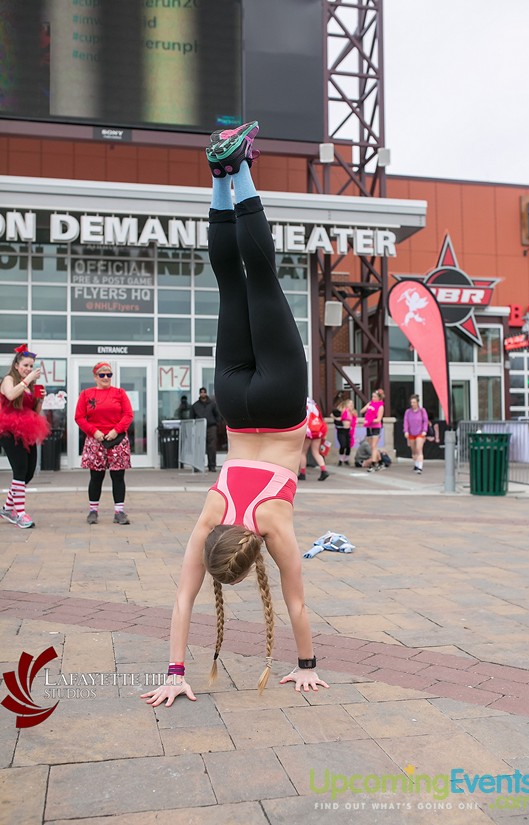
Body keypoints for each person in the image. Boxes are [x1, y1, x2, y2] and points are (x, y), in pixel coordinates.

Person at [141, 121, 328, 707]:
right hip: (235, 406)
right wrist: (174, 670)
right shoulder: (211, 512)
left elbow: (296, 603)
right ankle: (222, 176)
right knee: (228, 284)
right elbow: (181, 601)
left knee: (263, 278)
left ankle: (241, 167)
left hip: (278, 406)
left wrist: (307, 665)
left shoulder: (273, 525)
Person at [74, 362, 134, 525]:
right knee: (96, 477)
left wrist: (116, 430)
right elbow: (79, 417)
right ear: (95, 377)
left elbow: (128, 414)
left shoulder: (120, 393)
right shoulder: (86, 394)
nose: (106, 377)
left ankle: (119, 512)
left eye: (109, 374)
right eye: (102, 375)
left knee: (118, 476)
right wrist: (94, 432)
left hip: (117, 440)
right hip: (96, 440)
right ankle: (93, 511)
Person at [0, 344, 49, 528]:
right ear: (16, 365)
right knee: (20, 469)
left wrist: (41, 399)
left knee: (27, 473)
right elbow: (11, 396)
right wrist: (27, 380)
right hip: (9, 429)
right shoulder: (8, 380)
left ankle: (6, 508)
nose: (28, 369)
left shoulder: (32, 386)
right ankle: (20, 513)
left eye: (31, 366)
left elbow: (35, 412)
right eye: (25, 365)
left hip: (28, 429)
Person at [298, 397, 329, 481]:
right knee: (316, 452)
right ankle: (323, 470)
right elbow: (319, 416)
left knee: (303, 452)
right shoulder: (313, 403)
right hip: (317, 428)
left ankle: (302, 473)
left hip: (308, 430)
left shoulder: (301, 401)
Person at [192, 387, 221, 472]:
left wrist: (216, 423)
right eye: (201, 392)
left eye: (204, 392)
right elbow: (192, 417)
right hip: (199, 427)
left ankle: (212, 466)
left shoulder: (212, 404)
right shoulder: (195, 405)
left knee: (212, 447)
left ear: (206, 393)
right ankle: (197, 466)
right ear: (199, 394)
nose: (203, 394)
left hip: (211, 427)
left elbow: (217, 415)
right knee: (199, 447)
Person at [360, 389, 385, 471]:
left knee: (374, 446)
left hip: (376, 427)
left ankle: (374, 464)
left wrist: (369, 420)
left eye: (375, 397)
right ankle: (380, 462)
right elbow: (361, 411)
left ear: (379, 398)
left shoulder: (380, 406)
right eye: (372, 396)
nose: (373, 398)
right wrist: (367, 407)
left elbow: (378, 419)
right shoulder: (370, 403)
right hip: (369, 426)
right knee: (372, 446)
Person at [404, 393, 429, 474]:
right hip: (411, 432)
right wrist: (406, 431)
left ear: (417, 402)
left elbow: (425, 421)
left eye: (414, 402)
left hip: (420, 433)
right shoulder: (408, 412)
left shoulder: (422, 411)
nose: (413, 404)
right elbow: (406, 422)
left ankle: (420, 467)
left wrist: (424, 430)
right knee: (414, 450)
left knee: (419, 449)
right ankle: (416, 464)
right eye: (411, 402)